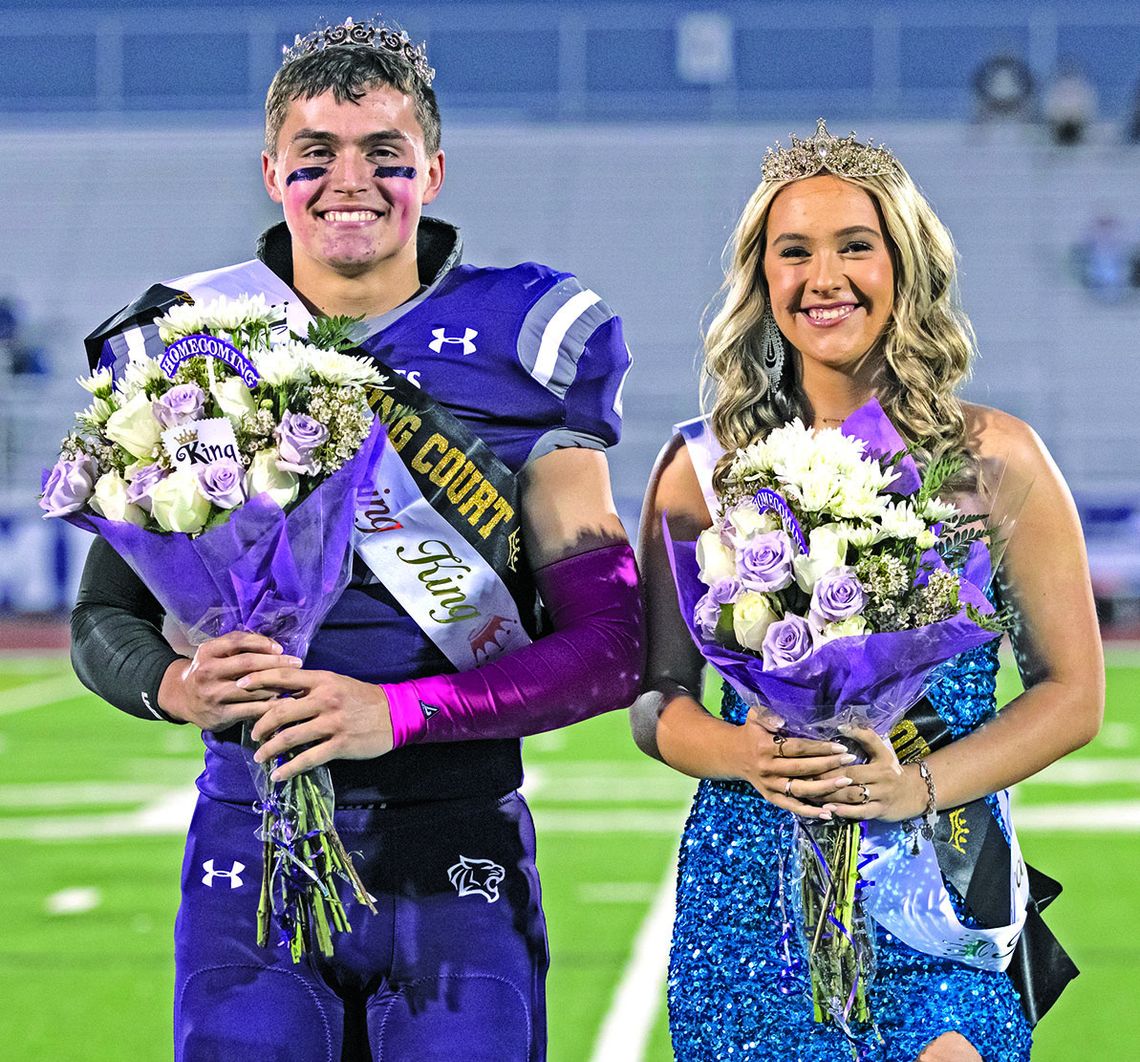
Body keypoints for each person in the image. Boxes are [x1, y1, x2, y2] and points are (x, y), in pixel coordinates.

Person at [70, 18, 642, 1061]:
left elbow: (609, 648)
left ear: (429, 167)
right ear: (271, 172)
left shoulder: (527, 340)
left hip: (456, 844)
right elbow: (103, 617)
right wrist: (179, 687)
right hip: (248, 836)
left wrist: (401, 711)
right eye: (316, 155)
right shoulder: (195, 335)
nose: (351, 181)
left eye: (384, 153)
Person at [631, 120, 1103, 1061]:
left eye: (857, 246)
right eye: (793, 251)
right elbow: (657, 702)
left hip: (941, 883)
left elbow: (1074, 696)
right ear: (762, 279)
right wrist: (739, 752)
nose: (824, 277)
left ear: (906, 267)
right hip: (752, 897)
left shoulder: (992, 463)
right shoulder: (701, 469)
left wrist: (915, 787)